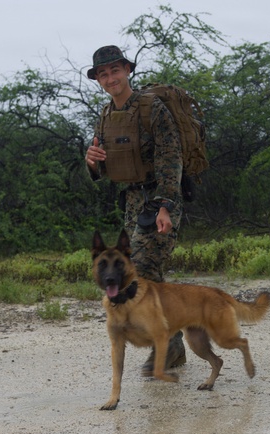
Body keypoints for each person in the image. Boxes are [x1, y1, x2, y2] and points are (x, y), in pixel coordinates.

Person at [85, 45, 186, 372]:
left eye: (115, 70)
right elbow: (103, 168)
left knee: (143, 273)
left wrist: (165, 207)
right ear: (98, 79)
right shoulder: (105, 115)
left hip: (159, 200)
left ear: (127, 70)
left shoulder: (151, 108)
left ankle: (168, 349)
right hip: (132, 203)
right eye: (103, 74)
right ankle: (173, 346)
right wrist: (91, 164)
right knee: (144, 273)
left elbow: (171, 159)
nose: (110, 78)